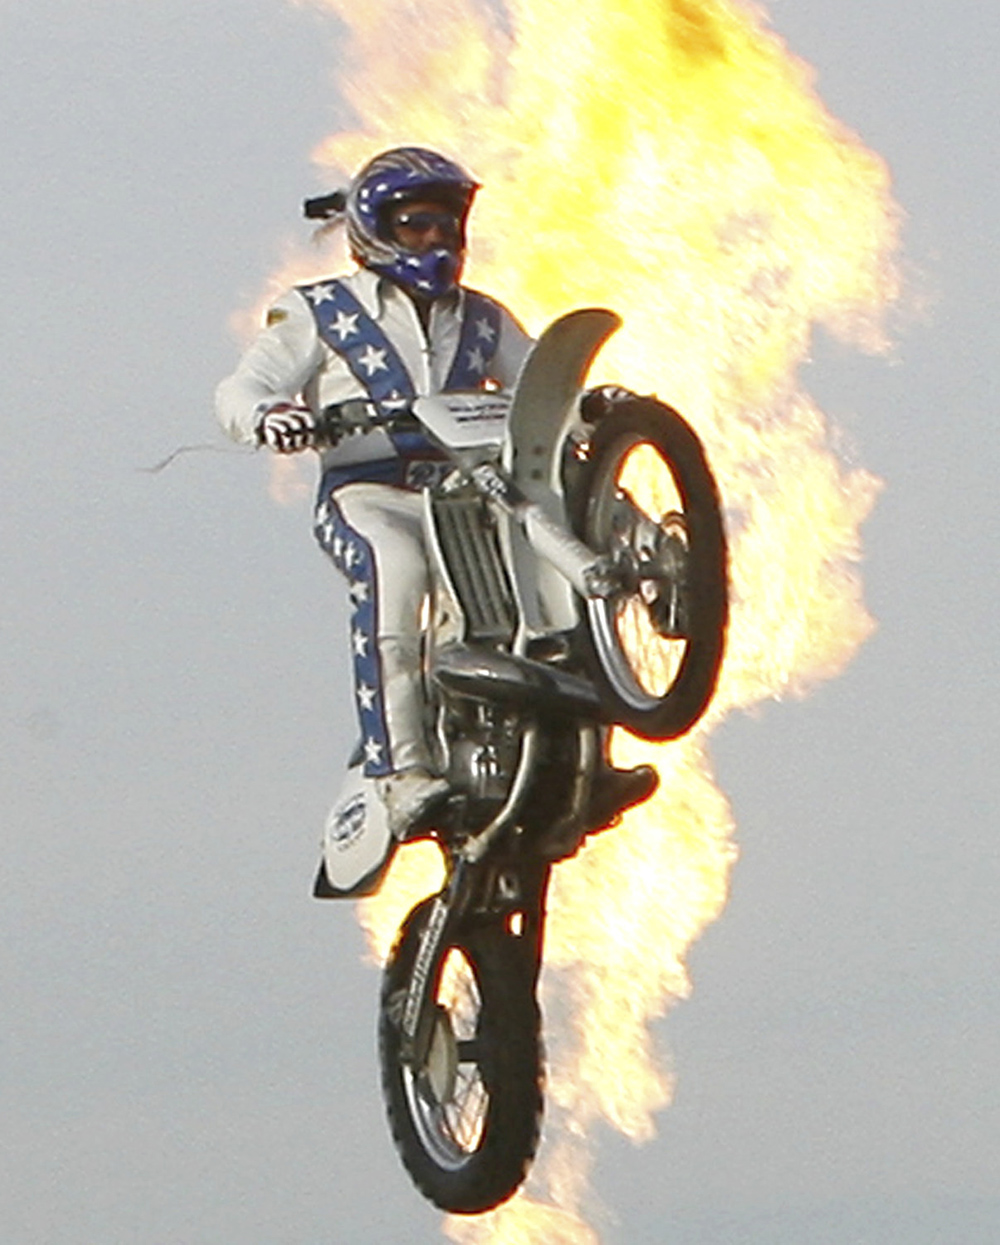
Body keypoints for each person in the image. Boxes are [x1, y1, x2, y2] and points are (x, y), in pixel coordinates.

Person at [216, 147, 535, 839]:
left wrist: (594, 412)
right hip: (366, 492)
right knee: (397, 570)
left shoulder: (483, 318)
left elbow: (538, 386)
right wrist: (270, 415)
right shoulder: (316, 308)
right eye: (418, 224)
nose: (435, 241)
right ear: (376, 226)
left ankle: (546, 752)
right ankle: (401, 774)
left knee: (511, 603)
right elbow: (242, 388)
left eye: (446, 227)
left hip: (467, 503)